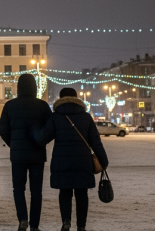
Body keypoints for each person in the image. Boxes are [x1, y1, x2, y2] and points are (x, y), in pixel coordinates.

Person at [37, 88, 108, 231]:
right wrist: (103, 160)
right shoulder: (86, 117)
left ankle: (66, 222)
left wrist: (32, 129)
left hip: (61, 161)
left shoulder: (56, 117)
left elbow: (42, 138)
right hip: (83, 161)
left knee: (65, 193)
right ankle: (81, 226)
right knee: (82, 193)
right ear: (77, 99)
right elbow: (96, 141)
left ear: (60, 98)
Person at [0, 74, 52, 231]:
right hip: (37, 155)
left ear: (19, 87)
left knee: (18, 189)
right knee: (36, 192)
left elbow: (3, 129)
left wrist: (13, 144)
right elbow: (50, 129)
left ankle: (22, 219)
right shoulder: (42, 105)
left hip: (18, 156)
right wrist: (41, 141)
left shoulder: (10, 105)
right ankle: (34, 225)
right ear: (34, 87)